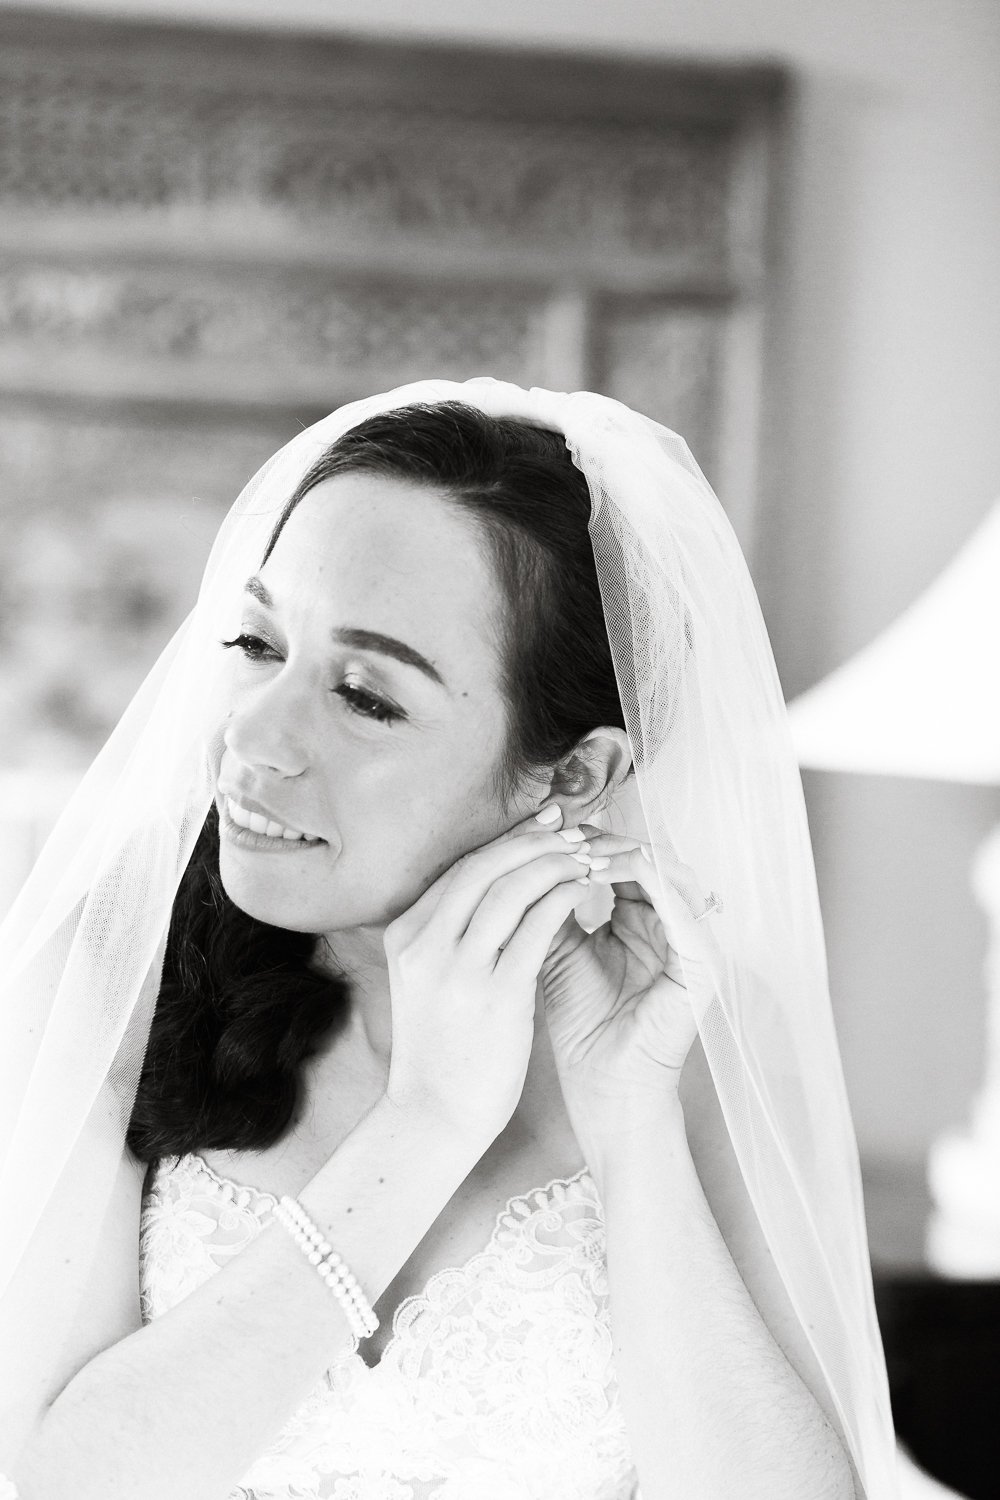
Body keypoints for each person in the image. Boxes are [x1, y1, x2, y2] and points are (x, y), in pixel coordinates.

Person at [0, 380, 899, 1498]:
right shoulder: (99, 973)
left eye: (367, 696)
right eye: (256, 642)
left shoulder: (693, 1027)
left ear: (574, 776)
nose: (254, 733)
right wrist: (427, 1124)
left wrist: (629, 1121)